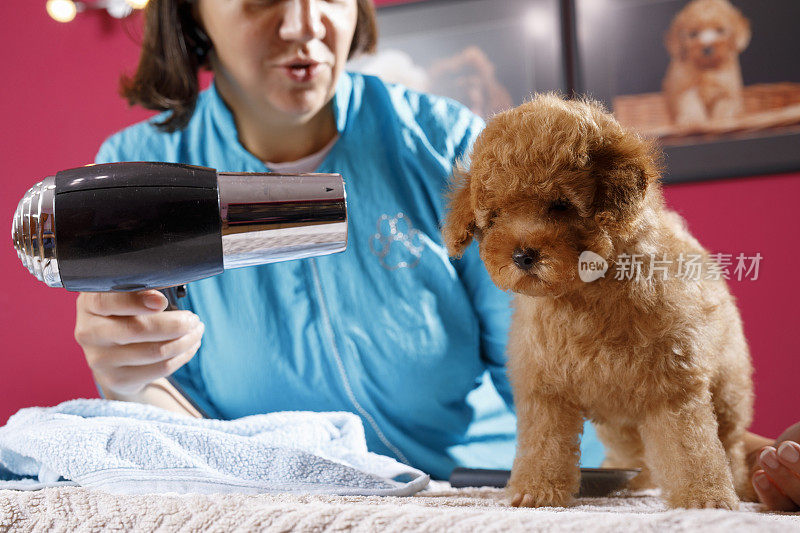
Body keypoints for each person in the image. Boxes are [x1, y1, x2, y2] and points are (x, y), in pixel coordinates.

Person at [73, 0, 799, 509]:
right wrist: (130, 379)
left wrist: (754, 454)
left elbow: (585, 357)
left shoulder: (446, 145)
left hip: (477, 492)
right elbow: (184, 423)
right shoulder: (139, 176)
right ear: (189, 12)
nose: (303, 23)